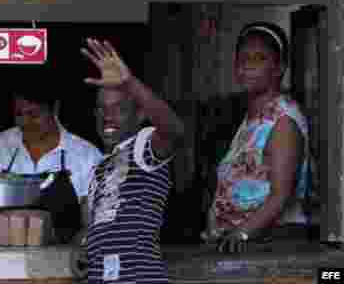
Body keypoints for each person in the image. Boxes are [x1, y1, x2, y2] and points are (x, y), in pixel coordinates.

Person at [71, 38, 186, 284]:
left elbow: (175, 131)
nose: (107, 117)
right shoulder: (99, 169)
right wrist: (82, 245)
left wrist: (130, 83)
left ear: (139, 114)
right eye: (102, 109)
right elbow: (91, 226)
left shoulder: (143, 147)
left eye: (118, 108)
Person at [202, 22, 316, 253]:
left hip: (268, 249)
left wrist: (241, 233)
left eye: (258, 58)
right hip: (237, 247)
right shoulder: (251, 119)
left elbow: (280, 196)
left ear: (279, 68)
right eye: (242, 58)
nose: (247, 66)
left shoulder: (283, 121)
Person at [0, 79, 103, 243]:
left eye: (34, 115)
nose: (26, 123)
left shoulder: (87, 156)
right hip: (0, 259)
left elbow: (96, 224)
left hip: (62, 262)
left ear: (55, 109)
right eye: (19, 114)